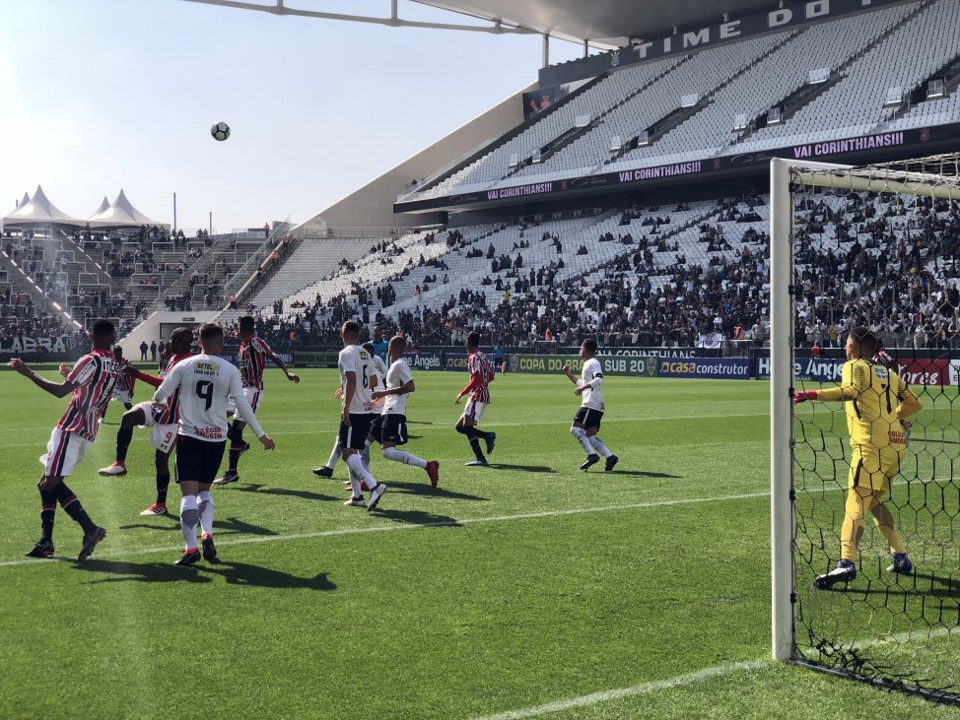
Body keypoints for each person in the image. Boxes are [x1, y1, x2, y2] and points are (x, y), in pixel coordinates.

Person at [794, 327, 922, 589]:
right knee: (874, 502)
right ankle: (900, 556)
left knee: (855, 501)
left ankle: (846, 562)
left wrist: (811, 395)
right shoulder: (888, 372)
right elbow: (915, 404)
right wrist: (894, 418)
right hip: (896, 447)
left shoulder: (854, 365)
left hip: (870, 447)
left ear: (851, 347)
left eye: (846, 344)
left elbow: (850, 391)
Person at [154, 323, 275, 566]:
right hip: (216, 439)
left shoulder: (184, 365)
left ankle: (191, 549)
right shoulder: (229, 370)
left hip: (189, 436)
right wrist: (261, 435)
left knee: (188, 495)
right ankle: (207, 531)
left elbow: (160, 393)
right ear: (220, 344)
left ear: (199, 342)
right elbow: (242, 406)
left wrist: (163, 403)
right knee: (204, 491)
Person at [11, 319, 119, 561]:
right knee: (45, 483)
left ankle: (90, 529)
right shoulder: (114, 363)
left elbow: (61, 392)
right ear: (113, 337)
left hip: (71, 428)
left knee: (51, 483)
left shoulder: (90, 359)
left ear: (92, 336)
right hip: (88, 432)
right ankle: (45, 542)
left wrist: (28, 373)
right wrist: (71, 375)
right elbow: (93, 392)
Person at [98, 328, 194, 517]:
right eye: (171, 338)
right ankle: (120, 463)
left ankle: (161, 504)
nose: (170, 342)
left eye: (175, 339)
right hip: (159, 408)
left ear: (184, 342)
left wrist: (137, 374)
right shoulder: (174, 358)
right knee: (128, 417)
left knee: (160, 460)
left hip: (173, 419)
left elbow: (163, 384)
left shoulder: (187, 363)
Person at [215, 315, 299, 484]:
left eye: (238, 328)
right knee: (215, 415)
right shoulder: (244, 344)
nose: (236, 331)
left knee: (236, 430)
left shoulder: (255, 341)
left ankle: (232, 472)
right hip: (240, 389)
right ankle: (240, 444)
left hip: (252, 391)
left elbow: (272, 355)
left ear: (244, 328)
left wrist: (287, 372)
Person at [370, 335, 440, 487]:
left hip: (394, 412)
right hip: (386, 411)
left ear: (392, 348)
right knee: (362, 443)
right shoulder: (395, 364)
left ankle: (428, 466)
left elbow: (411, 386)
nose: (387, 349)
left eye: (389, 346)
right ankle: (363, 479)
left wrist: (384, 393)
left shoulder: (400, 364)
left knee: (387, 452)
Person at [337, 321, 387, 510]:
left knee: (346, 452)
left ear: (343, 334)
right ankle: (357, 496)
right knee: (354, 452)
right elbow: (374, 379)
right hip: (367, 409)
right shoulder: (365, 353)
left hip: (355, 409)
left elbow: (351, 379)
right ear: (358, 335)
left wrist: (346, 407)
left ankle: (374, 486)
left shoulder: (346, 353)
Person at [562, 339, 619, 471]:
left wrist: (583, 389)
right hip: (596, 404)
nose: (579, 351)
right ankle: (610, 457)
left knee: (575, 429)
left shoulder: (592, 363)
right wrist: (568, 374)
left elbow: (599, 379)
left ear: (586, 349)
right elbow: (583, 383)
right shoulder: (590, 363)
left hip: (590, 404)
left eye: (581, 348)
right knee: (590, 436)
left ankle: (592, 455)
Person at [455, 331, 496, 466]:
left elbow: (477, 378)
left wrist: (463, 392)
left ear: (469, 342)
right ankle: (487, 436)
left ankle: (480, 458)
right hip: (480, 394)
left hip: (478, 395)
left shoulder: (474, 357)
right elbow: (490, 376)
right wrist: (482, 386)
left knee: (467, 426)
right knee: (460, 427)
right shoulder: (482, 355)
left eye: (466, 340)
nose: (465, 342)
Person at [110, 346, 135, 412]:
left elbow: (133, 375)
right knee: (104, 401)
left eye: (118, 351)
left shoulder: (126, 362)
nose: (116, 353)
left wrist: (131, 389)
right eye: (115, 351)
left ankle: (134, 416)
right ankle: (101, 418)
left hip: (125, 387)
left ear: (121, 352)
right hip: (113, 386)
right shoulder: (111, 361)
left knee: (127, 405)